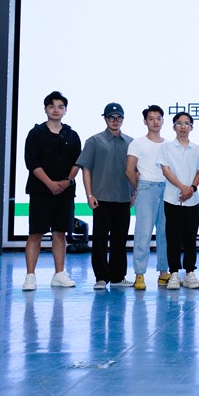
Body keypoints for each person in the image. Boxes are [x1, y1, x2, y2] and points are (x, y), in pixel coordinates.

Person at [22, 91, 81, 291]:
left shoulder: (72, 135)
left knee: (60, 233)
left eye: (60, 107)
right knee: (35, 234)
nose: (56, 110)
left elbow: (78, 162)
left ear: (65, 110)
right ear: (45, 109)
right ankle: (30, 276)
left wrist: (66, 181)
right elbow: (32, 162)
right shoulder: (35, 133)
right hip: (40, 191)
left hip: (65, 192)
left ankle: (59, 274)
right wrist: (49, 183)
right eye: (52, 106)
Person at [78, 102, 135, 289]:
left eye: (119, 117)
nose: (115, 121)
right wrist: (89, 194)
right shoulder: (94, 141)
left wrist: (134, 193)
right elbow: (86, 169)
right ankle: (101, 277)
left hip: (123, 198)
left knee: (120, 240)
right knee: (100, 240)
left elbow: (135, 170)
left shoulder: (131, 142)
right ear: (105, 119)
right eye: (111, 117)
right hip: (101, 198)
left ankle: (118, 277)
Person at [125, 105, 169, 290]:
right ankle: (139, 274)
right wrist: (140, 188)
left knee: (165, 233)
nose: (155, 122)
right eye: (151, 119)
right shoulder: (137, 143)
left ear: (163, 121)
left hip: (166, 189)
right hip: (146, 188)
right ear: (145, 122)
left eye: (158, 118)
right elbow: (129, 170)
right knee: (143, 233)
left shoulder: (168, 144)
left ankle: (163, 273)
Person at [158, 112, 199, 290]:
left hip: (192, 200)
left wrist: (191, 188)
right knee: (173, 237)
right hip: (172, 198)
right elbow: (165, 170)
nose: (183, 126)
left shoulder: (198, 149)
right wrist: (182, 187)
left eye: (186, 123)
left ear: (191, 127)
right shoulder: (166, 147)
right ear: (173, 127)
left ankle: (190, 272)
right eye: (179, 123)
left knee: (191, 238)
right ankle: (174, 273)